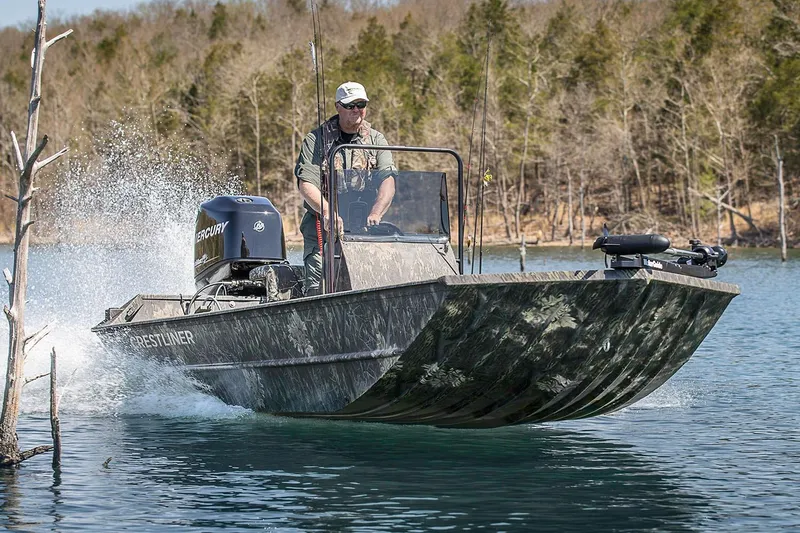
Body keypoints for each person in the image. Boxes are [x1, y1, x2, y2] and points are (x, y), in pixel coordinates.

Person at [294, 81, 396, 296]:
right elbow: (306, 183)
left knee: (371, 285)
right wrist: (327, 211)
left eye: (361, 104)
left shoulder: (376, 139)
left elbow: (388, 180)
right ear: (338, 106)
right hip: (324, 229)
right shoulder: (316, 140)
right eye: (351, 105)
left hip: (363, 230)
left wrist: (377, 212)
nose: (357, 110)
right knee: (318, 288)